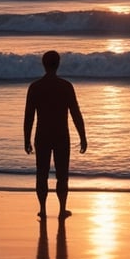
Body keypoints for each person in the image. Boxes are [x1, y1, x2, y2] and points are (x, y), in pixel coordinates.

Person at [24, 50, 87, 219]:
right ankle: (62, 210)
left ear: (43, 65)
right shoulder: (66, 86)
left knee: (41, 174)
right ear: (58, 64)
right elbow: (75, 113)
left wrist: (26, 139)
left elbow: (29, 116)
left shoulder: (35, 87)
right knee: (62, 175)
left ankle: (43, 210)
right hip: (61, 136)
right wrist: (83, 136)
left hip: (42, 135)